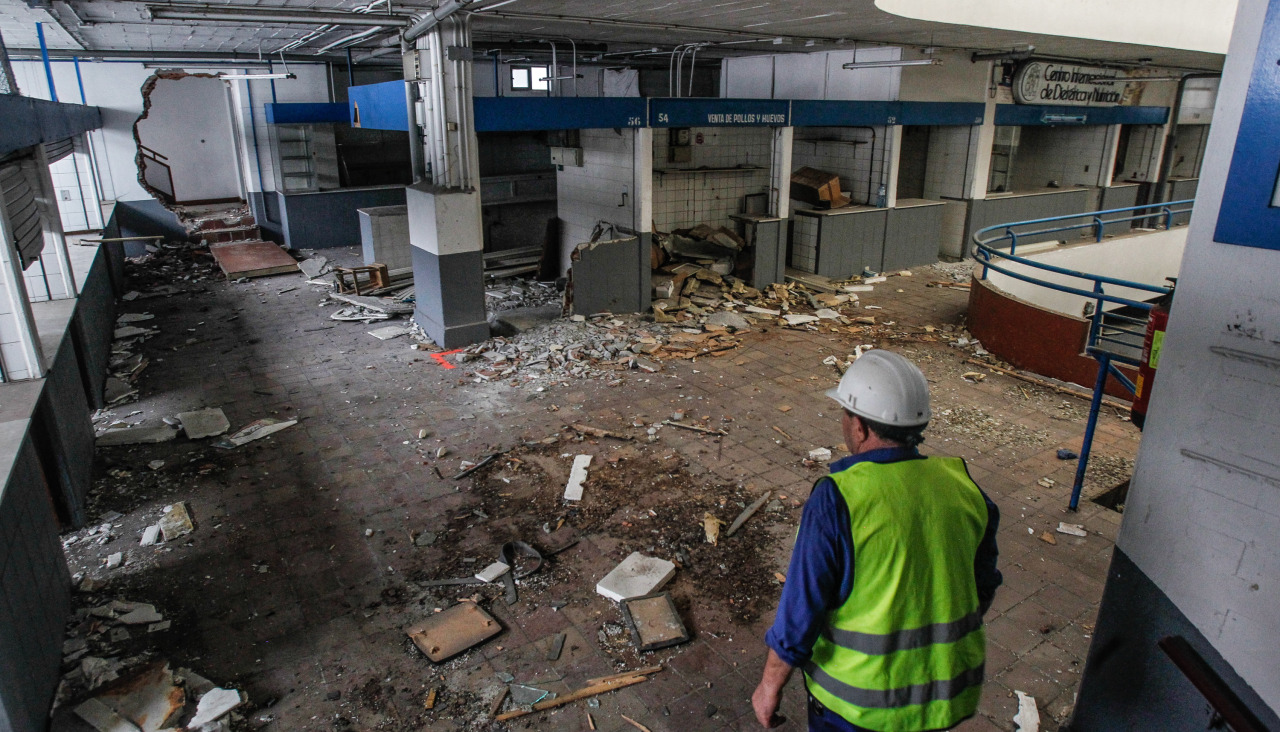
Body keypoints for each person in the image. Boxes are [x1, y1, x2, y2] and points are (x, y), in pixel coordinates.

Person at [752, 349, 1002, 731]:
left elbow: (801, 609)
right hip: (942, 700)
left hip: (857, 708)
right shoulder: (965, 488)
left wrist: (770, 685)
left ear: (860, 428)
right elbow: (982, 587)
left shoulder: (838, 499)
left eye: (845, 413)